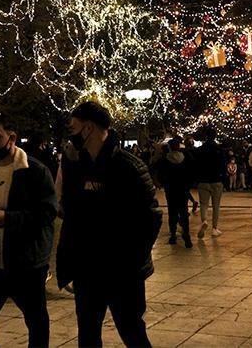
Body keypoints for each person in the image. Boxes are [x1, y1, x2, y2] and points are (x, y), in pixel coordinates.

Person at [55, 101, 162, 347]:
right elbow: (70, 210)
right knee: (88, 335)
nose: (70, 135)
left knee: (132, 331)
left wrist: (131, 261)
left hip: (121, 273)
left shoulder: (128, 166)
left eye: (73, 127)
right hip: (87, 270)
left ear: (88, 128)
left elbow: (151, 219)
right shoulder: (78, 164)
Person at [0, 114, 57, 348]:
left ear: (12, 137)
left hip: (26, 262)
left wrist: (8, 218)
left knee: (36, 321)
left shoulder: (35, 171)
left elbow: (47, 213)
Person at [157, 138, 193, 248]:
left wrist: (163, 183)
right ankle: (186, 234)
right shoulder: (186, 158)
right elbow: (190, 171)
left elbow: (160, 173)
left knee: (172, 212)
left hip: (171, 189)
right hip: (182, 189)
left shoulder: (165, 160)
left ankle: (173, 235)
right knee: (183, 211)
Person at [193, 129, 226, 239]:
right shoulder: (219, 150)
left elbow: (196, 164)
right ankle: (214, 228)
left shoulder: (200, 150)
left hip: (203, 180)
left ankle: (204, 221)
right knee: (216, 205)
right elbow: (223, 165)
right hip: (216, 180)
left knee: (203, 204)